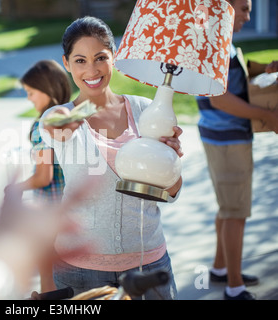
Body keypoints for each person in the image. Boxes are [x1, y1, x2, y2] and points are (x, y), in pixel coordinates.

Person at [38, 16, 184, 299]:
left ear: (114, 58)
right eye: (80, 60)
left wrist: (170, 162)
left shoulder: (147, 111)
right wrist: (61, 122)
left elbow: (172, 191)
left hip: (148, 264)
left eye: (100, 57)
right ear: (66, 64)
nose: (91, 69)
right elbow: (52, 127)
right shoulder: (61, 117)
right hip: (79, 269)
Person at [196, 0, 278, 300]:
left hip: (223, 136)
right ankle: (234, 287)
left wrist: (264, 72)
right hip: (227, 138)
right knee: (235, 213)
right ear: (222, 6)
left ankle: (221, 269)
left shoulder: (220, 42)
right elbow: (219, 100)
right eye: (243, 8)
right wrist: (268, 115)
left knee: (228, 208)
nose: (248, 15)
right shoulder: (215, 44)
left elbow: (231, 87)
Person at [7, 59, 71, 292]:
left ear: (47, 90)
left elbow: (43, 177)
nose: (29, 99)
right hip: (74, 211)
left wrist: (14, 188)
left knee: (48, 275)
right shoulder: (72, 116)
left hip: (51, 214)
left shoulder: (43, 126)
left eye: (31, 92)